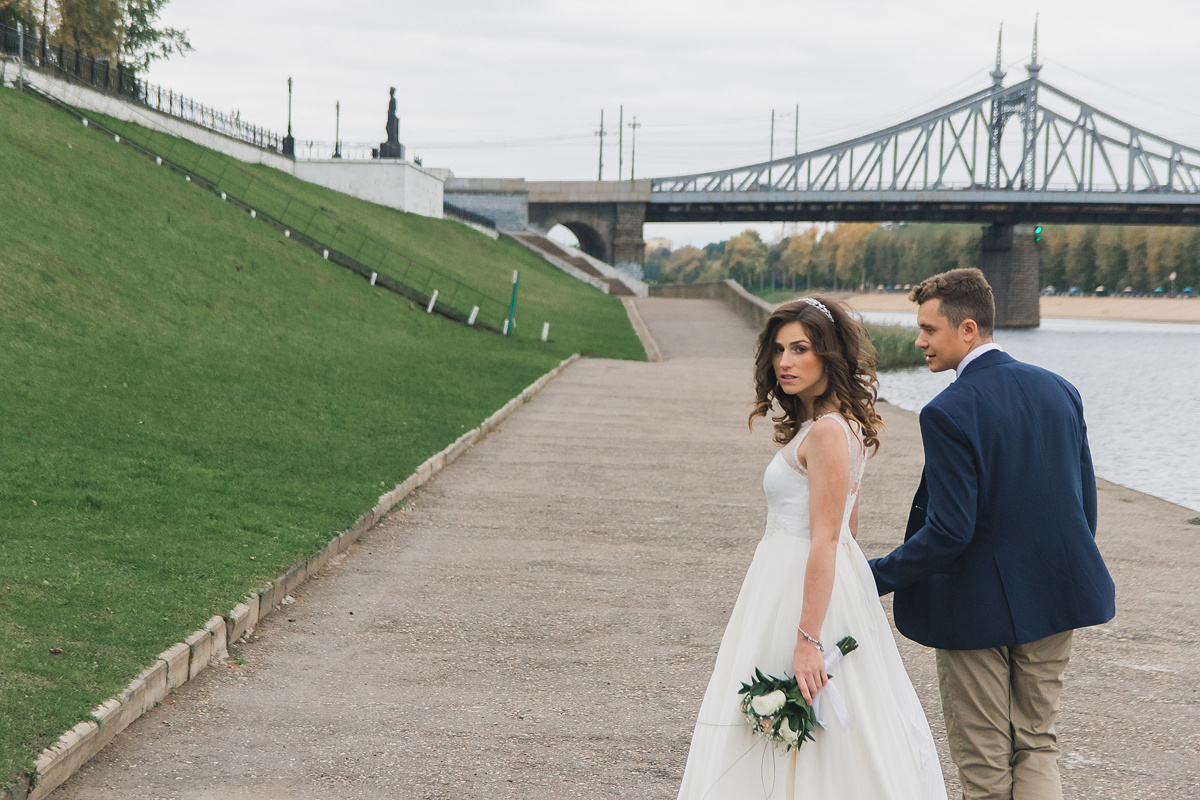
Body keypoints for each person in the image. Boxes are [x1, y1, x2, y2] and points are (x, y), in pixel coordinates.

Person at [677, 297, 946, 800]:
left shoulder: (825, 432)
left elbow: (826, 536)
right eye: (779, 350)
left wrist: (808, 640)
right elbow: (850, 529)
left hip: (798, 588)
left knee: (810, 716)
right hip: (802, 582)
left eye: (800, 349)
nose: (785, 362)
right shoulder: (841, 426)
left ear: (828, 355)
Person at [868, 268, 1115, 800]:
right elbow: (1082, 507)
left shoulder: (948, 411)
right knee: (1036, 741)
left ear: (969, 330)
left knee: (983, 764)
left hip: (974, 607)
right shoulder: (1061, 391)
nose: (919, 341)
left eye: (929, 330)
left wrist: (870, 577)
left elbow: (950, 531)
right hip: (1056, 592)